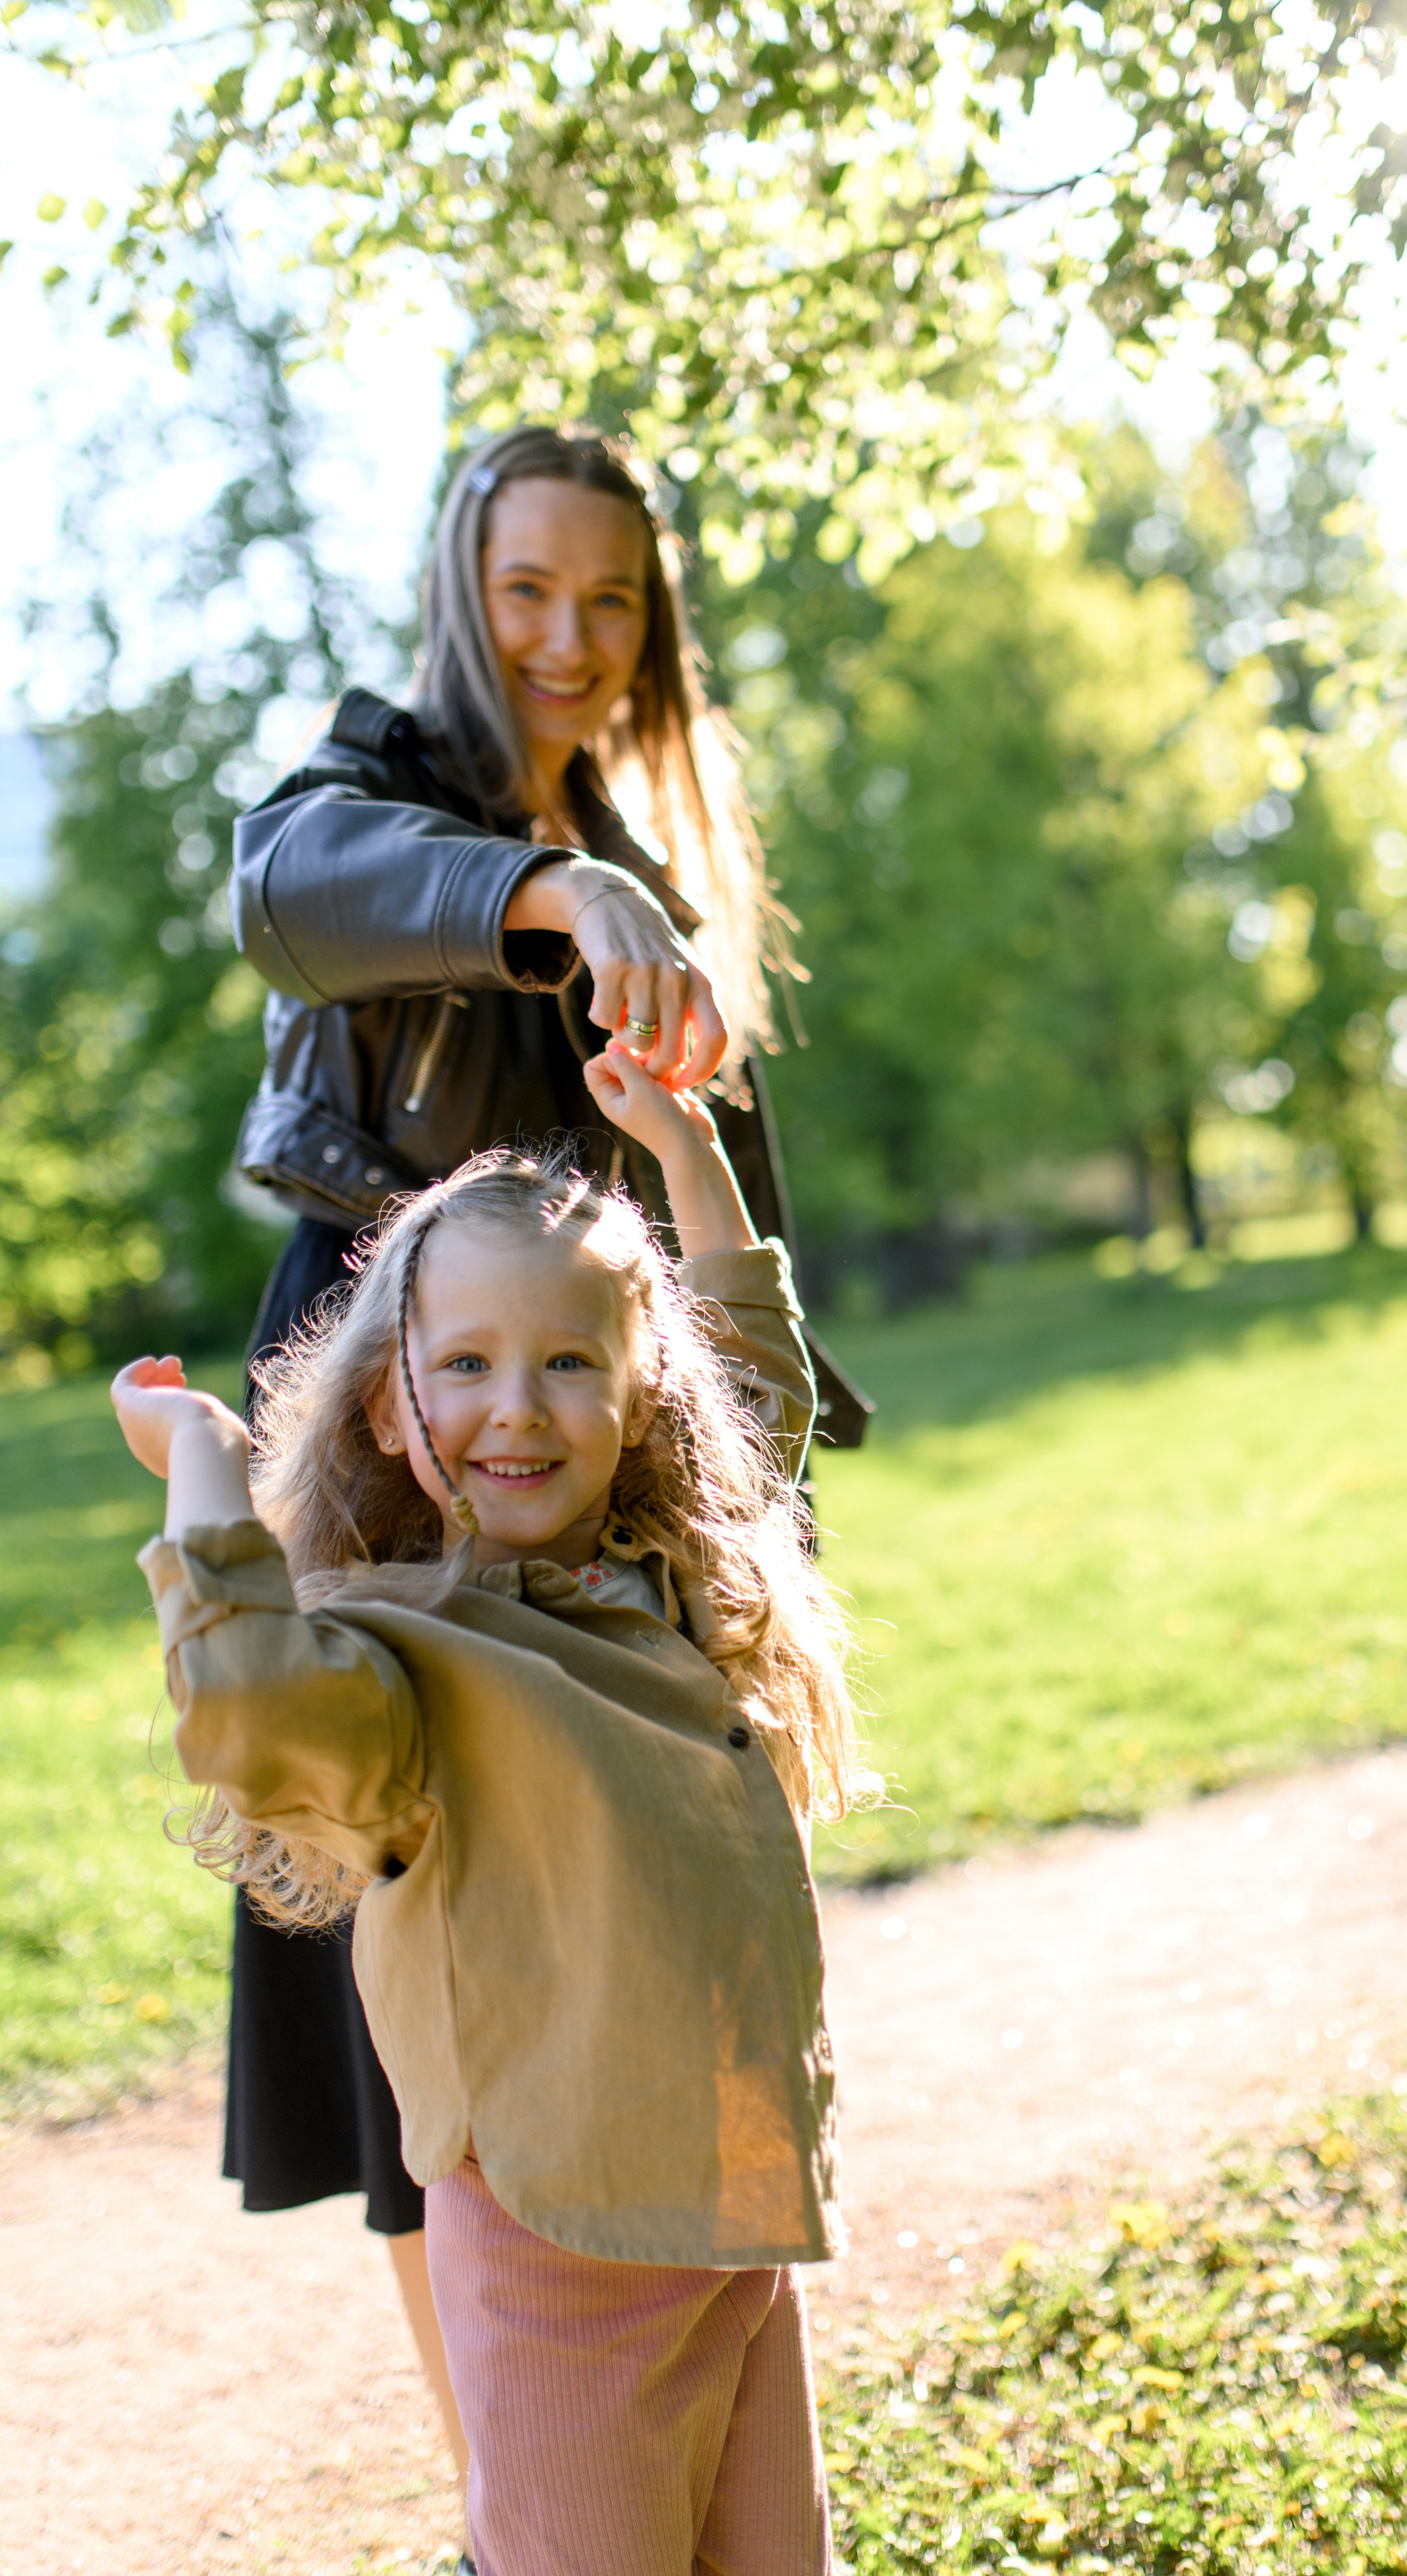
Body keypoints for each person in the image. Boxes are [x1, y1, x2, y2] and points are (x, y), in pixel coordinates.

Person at [222, 422, 868, 2505]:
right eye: (530, 591)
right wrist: (543, 892)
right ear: (462, 591)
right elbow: (286, 895)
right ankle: (518, 2504)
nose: (572, 638)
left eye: (612, 601)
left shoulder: (655, 897)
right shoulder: (374, 796)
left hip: (598, 1464)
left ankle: (619, 2464)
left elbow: (718, 1229)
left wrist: (766, 1531)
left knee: (599, 1963)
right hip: (402, 1441)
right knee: (427, 1998)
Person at [112, 1042, 855, 2576]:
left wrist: (686, 1151)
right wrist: (209, 1466)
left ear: (640, 1396)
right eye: (464, 1364)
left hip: (730, 2211)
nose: (518, 1407)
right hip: (555, 2245)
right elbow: (248, 1710)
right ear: (389, 1405)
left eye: (570, 1361)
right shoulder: (396, 1655)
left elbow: (753, 1375)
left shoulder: (657, 1590)